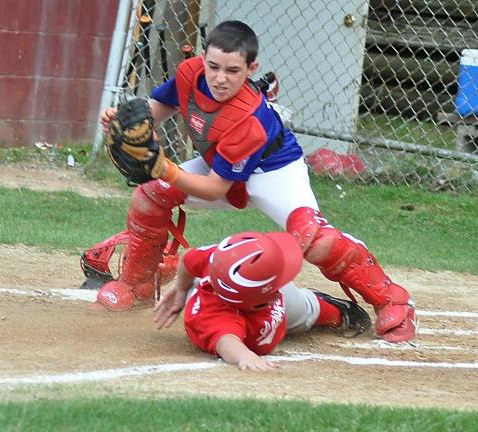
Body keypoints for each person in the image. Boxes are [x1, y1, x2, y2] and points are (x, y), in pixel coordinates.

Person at [84, 20, 417, 343]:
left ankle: (393, 300)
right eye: (213, 66)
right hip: (221, 163)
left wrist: (164, 168)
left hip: (272, 172)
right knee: (150, 196)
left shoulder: (250, 117)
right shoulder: (190, 74)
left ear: (251, 68)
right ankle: (137, 284)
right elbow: (159, 107)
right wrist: (125, 125)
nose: (219, 78)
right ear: (203, 58)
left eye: (232, 71)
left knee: (317, 241)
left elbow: (216, 189)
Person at [153, 231, 371, 370]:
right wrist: (244, 356)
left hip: (244, 294)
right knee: (290, 305)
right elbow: (226, 341)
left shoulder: (220, 260)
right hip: (242, 312)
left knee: (304, 310)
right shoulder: (217, 320)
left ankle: (334, 311)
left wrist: (181, 288)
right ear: (260, 299)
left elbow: (190, 258)